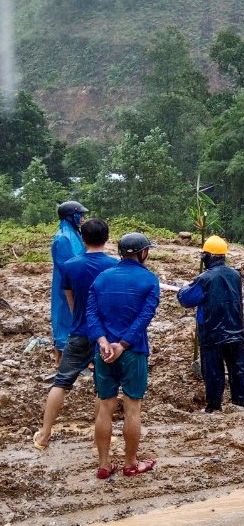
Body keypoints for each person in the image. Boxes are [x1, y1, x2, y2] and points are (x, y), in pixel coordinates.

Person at [33, 218, 118, 450]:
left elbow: (70, 302)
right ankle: (100, 438)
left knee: (61, 382)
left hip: (80, 330)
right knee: (102, 387)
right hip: (107, 335)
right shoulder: (114, 265)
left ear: (82, 238)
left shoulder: (70, 266)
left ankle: (44, 435)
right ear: (107, 238)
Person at [86, 232, 160, 479]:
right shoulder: (150, 280)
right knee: (132, 408)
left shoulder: (101, 279)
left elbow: (91, 314)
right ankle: (130, 463)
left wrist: (104, 341)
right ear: (143, 252)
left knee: (104, 407)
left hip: (104, 353)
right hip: (133, 351)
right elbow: (144, 317)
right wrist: (124, 344)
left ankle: (104, 465)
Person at [177, 235, 244, 413]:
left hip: (212, 332)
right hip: (235, 330)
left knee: (213, 371)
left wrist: (183, 288)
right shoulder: (235, 275)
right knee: (238, 368)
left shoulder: (205, 279)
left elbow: (187, 299)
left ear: (208, 256)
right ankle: (242, 403)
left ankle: (214, 406)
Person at [51, 201, 88, 364]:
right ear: (71, 216)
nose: (83, 218)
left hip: (76, 283)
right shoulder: (64, 238)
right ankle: (61, 359)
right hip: (67, 286)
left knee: (74, 316)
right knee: (65, 316)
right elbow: (68, 265)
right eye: (80, 215)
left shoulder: (75, 234)